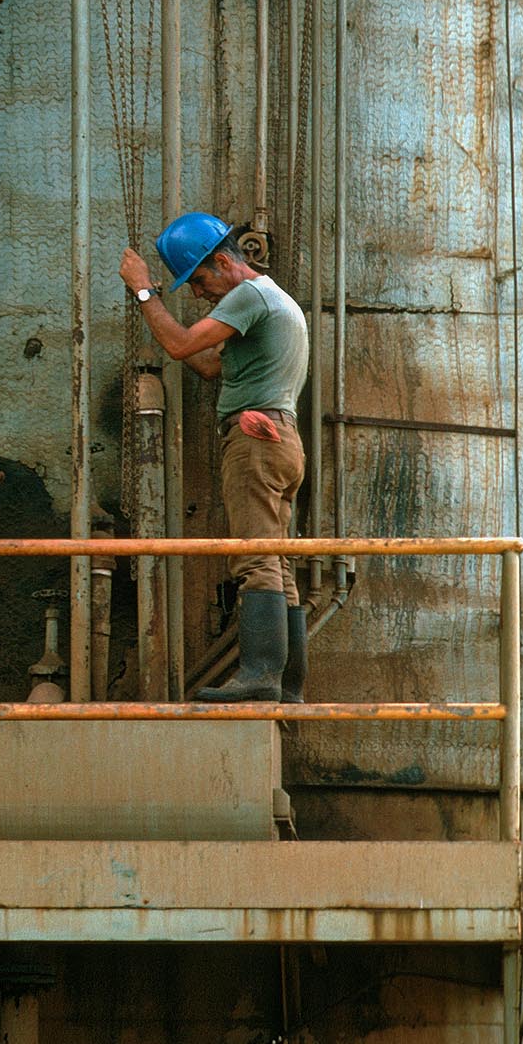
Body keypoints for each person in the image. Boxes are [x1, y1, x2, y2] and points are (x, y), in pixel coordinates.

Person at [119, 212, 310, 703]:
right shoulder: (274, 299)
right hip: (282, 441)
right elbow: (207, 365)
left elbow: (183, 345)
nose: (198, 293)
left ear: (224, 262)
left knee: (256, 560)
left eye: (200, 280)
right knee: (278, 562)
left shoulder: (249, 295)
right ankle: (287, 687)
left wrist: (145, 293)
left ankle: (260, 675)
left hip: (255, 440)